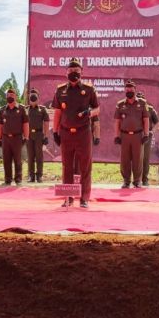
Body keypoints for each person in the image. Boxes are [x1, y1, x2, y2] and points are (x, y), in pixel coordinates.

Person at [52, 58, 99, 208]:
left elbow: (97, 109)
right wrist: (55, 131)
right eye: (71, 71)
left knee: (85, 166)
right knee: (67, 166)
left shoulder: (89, 89)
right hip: (66, 133)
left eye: (76, 71)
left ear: (82, 72)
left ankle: (84, 198)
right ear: (67, 72)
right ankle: (68, 197)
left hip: (83, 133)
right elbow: (58, 113)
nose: (74, 73)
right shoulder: (60, 90)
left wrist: (89, 113)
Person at [113, 80, 149, 189]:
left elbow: (146, 120)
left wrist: (146, 134)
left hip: (138, 136)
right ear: (125, 90)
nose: (129, 90)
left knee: (138, 159)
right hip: (124, 136)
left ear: (135, 89)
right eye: (127, 89)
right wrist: (117, 136)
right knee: (125, 159)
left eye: (131, 88)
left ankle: (137, 181)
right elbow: (117, 122)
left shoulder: (142, 103)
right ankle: (126, 181)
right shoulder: (120, 104)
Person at [0, 88, 28, 185]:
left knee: (17, 159)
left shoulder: (21, 109)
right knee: (6, 160)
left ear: (15, 96)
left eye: (11, 95)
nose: (9, 97)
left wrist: (26, 137)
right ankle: (7, 179)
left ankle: (18, 179)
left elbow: (26, 124)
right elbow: (0, 125)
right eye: (8, 96)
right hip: (5, 138)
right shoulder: (2, 110)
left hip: (17, 138)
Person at [25, 88, 49, 183]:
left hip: (39, 135)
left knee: (39, 156)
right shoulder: (25, 109)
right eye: (31, 96)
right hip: (29, 135)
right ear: (29, 98)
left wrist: (46, 136)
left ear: (38, 98)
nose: (33, 98)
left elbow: (46, 123)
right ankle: (31, 176)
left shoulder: (42, 109)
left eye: (35, 96)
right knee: (30, 156)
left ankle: (39, 176)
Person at [137, 92, 159, 187]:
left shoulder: (150, 109)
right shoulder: (132, 108)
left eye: (142, 99)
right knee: (134, 159)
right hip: (135, 135)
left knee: (145, 158)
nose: (140, 100)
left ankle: (144, 179)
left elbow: (157, 122)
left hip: (146, 136)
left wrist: (152, 131)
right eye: (138, 98)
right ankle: (135, 180)